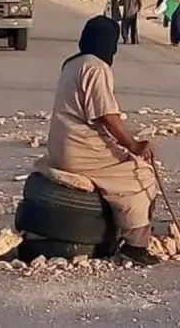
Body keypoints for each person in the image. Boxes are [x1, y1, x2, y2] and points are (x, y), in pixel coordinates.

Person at [40, 16, 161, 265]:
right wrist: (134, 146)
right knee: (140, 175)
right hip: (80, 148)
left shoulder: (72, 63)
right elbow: (107, 116)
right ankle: (135, 245)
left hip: (61, 144)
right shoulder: (96, 68)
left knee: (125, 162)